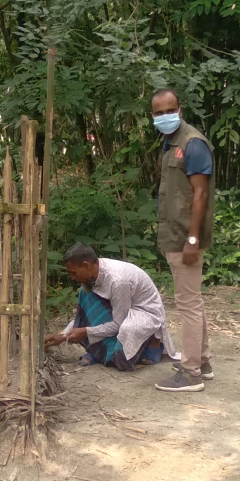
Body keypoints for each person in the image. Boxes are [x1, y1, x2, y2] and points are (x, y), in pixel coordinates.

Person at [149, 88, 215, 393]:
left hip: (184, 238)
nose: (164, 116)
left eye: (169, 110)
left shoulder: (192, 143)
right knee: (193, 301)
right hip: (175, 234)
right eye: (158, 112)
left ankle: (191, 374)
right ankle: (201, 361)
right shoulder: (170, 143)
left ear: (181, 109)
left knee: (187, 304)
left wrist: (192, 239)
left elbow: (200, 193)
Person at [44, 243, 175, 372]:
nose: (72, 278)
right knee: (86, 294)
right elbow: (86, 318)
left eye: (74, 273)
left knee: (122, 358)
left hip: (145, 313)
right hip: (123, 310)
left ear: (86, 265)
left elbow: (118, 324)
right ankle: (103, 353)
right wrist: (61, 336)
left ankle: (152, 343)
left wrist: (85, 332)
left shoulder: (117, 281)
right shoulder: (95, 275)